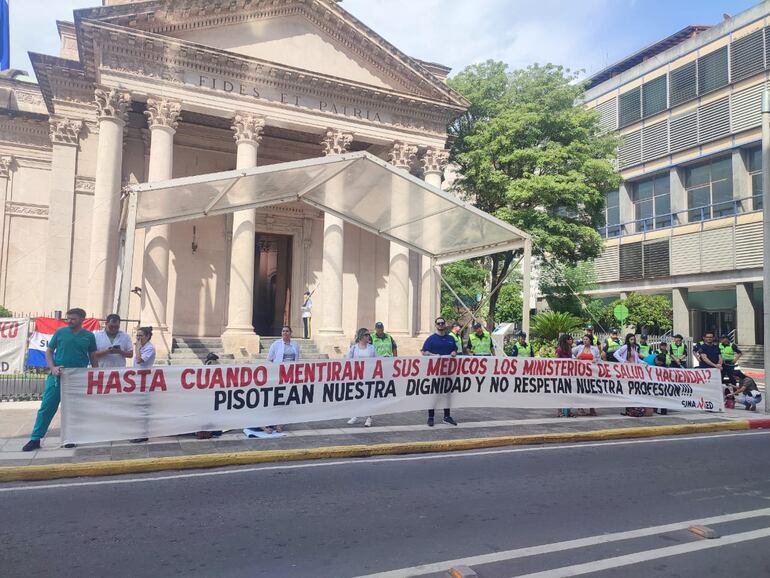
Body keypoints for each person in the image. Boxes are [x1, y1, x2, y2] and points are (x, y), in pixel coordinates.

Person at [23, 308, 98, 451]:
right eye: (68, 318)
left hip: (77, 377)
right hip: (58, 375)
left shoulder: (88, 336)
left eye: (73, 319)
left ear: (82, 319)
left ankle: (70, 438)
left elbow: (93, 356)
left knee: (74, 409)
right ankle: (35, 438)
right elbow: (49, 351)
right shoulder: (60, 332)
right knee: (47, 407)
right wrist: (52, 368)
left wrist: (96, 375)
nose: (69, 321)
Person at [421, 317, 459, 427]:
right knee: (433, 394)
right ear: (436, 325)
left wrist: (454, 352)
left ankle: (447, 416)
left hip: (448, 371)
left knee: (447, 394)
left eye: (442, 323)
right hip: (435, 372)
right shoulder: (431, 339)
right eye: (439, 323)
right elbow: (424, 352)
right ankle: (431, 417)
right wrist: (433, 355)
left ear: (445, 324)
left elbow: (455, 349)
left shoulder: (450, 338)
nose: (441, 325)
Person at [265, 325, 300, 433]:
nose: (285, 333)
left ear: (290, 333)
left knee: (287, 399)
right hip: (279, 375)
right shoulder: (276, 344)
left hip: (290, 376)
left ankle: (280, 424)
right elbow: (269, 359)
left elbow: (297, 358)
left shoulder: (295, 345)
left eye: (287, 331)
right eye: (283, 331)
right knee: (277, 399)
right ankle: (272, 421)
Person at [347, 328, 377, 427]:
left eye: (369, 335)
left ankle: (369, 418)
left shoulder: (371, 348)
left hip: (369, 376)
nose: (368, 336)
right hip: (357, 376)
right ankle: (356, 414)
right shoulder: (354, 348)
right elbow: (348, 360)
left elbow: (377, 361)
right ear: (361, 336)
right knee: (357, 397)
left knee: (369, 397)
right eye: (366, 335)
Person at [131, 326, 156, 443]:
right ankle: (138, 432)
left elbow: (139, 360)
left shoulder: (149, 348)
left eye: (141, 336)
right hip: (137, 379)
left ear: (147, 336)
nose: (138, 338)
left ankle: (143, 433)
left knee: (142, 407)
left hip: (145, 380)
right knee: (137, 406)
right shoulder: (142, 347)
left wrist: (137, 348)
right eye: (137, 335)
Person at [571, 335, 599, 416]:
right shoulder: (579, 347)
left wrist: (596, 359)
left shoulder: (595, 349)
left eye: (587, 339)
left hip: (591, 373)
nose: (585, 341)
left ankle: (592, 408)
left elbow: (599, 359)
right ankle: (580, 408)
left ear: (590, 340)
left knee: (591, 390)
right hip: (580, 372)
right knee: (581, 390)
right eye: (584, 339)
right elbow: (570, 352)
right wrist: (575, 358)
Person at [555, 334, 575, 417]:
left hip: (569, 373)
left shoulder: (570, 349)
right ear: (565, 340)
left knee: (569, 392)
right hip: (561, 373)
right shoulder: (559, 349)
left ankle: (568, 411)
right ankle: (559, 411)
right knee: (561, 393)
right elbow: (556, 361)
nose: (572, 341)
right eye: (570, 339)